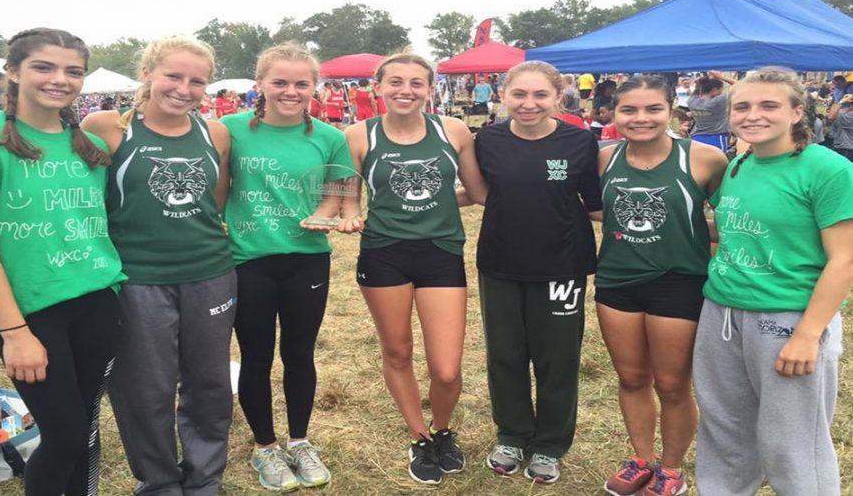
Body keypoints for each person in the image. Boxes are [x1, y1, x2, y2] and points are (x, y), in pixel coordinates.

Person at [0, 28, 125, 496]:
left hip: (98, 301)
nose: (60, 79)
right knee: (65, 434)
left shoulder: (85, 143)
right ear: (13, 71)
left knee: (84, 428)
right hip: (30, 314)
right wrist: (14, 333)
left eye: (73, 71)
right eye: (43, 67)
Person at [81, 36, 236, 496]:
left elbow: (217, 199)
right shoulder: (107, 127)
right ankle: (159, 482)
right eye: (173, 75)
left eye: (197, 81)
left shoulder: (217, 133)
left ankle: (205, 479)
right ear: (147, 72)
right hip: (137, 280)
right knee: (145, 390)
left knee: (209, 384)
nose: (184, 88)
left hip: (210, 273)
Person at [694, 68, 853, 495]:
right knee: (723, 427)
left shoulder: (828, 169)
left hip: (786, 317)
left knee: (792, 440)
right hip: (722, 313)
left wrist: (808, 333)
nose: (753, 115)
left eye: (769, 105)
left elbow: (844, 259)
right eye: (742, 106)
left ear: (797, 111)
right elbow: (735, 232)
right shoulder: (738, 165)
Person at [341, 53, 485, 485]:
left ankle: (443, 429)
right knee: (398, 351)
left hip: (440, 251)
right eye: (396, 82)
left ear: (430, 89)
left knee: (447, 368)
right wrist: (344, 214)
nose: (406, 90)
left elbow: (477, 192)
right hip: (384, 251)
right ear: (378, 87)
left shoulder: (453, 130)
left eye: (417, 83)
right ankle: (420, 436)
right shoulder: (356, 134)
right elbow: (344, 195)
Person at [219, 43, 352, 491]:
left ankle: (299, 441)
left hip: (307, 260)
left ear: (315, 87)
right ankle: (265, 448)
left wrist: (327, 211)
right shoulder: (229, 129)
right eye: (280, 82)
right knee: (256, 357)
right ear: (260, 84)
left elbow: (342, 189)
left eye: (301, 83)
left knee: (300, 354)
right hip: (248, 260)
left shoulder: (330, 136)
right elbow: (215, 186)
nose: (290, 91)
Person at [466, 61, 601, 485]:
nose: (529, 104)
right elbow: (480, 194)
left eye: (540, 95)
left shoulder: (579, 141)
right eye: (519, 95)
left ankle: (550, 444)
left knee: (557, 358)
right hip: (501, 264)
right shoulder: (486, 139)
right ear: (503, 95)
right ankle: (512, 435)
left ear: (558, 98)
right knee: (505, 354)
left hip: (563, 266)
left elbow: (596, 206)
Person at [594, 76, 728, 496]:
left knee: (672, 384)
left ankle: (671, 469)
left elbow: (731, 220)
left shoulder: (706, 159)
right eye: (629, 110)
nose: (641, 118)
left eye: (653, 109)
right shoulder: (604, 159)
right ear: (613, 114)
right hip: (617, 280)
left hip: (679, 282)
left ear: (673, 109)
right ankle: (640, 459)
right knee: (631, 378)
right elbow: (597, 211)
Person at [688, 71, 735, 151]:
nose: (721, 92)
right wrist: (722, 78)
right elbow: (741, 87)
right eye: (721, 90)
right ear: (714, 90)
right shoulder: (719, 101)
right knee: (719, 162)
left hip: (696, 138)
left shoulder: (692, 101)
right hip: (716, 138)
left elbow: (697, 91)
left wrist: (700, 83)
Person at [827, 92, 853, 160]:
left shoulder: (849, 115)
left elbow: (830, 116)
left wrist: (841, 101)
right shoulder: (845, 111)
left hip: (846, 150)